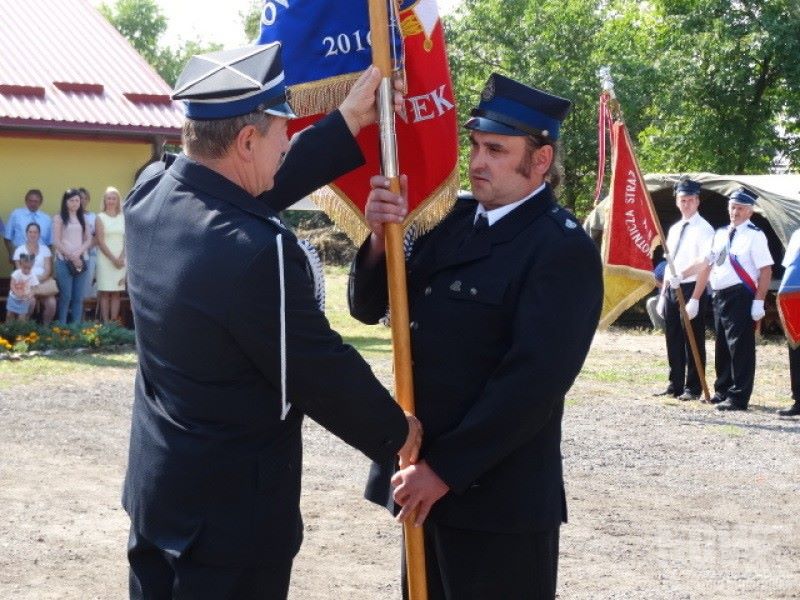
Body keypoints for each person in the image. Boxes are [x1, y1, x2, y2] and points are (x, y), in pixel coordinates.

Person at [122, 43, 421, 600]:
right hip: (230, 532)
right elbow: (319, 371)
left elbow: (232, 190)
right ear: (246, 140)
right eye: (283, 131)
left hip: (158, 500)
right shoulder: (260, 253)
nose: (289, 142)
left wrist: (347, 120)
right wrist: (398, 431)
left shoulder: (150, 193)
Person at [349, 73, 603, 599]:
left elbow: (532, 383)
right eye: (474, 146)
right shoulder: (452, 221)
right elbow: (370, 307)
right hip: (421, 479)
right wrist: (379, 239)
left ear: (540, 160)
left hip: (496, 500)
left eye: (495, 149)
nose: (477, 161)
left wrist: (442, 470)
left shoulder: (560, 248)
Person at [684, 187, 773, 411]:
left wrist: (759, 301)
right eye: (732, 207)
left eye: (740, 208)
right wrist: (691, 290)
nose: (735, 212)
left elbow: (766, 271)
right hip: (720, 294)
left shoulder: (755, 235)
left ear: (750, 211)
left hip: (741, 295)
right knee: (722, 344)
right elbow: (708, 263)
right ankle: (722, 389)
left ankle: (739, 396)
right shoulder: (721, 233)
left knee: (740, 347)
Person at [654, 178, 714, 401]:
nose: (686, 204)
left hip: (691, 287)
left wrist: (696, 298)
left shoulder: (704, 229)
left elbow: (704, 263)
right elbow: (670, 264)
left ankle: (694, 386)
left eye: (690, 200)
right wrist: (663, 293)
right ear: (677, 202)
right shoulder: (676, 228)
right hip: (672, 286)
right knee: (673, 337)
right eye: (682, 200)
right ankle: (675, 384)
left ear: (697, 201)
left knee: (693, 339)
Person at [52, 188, 92, 324]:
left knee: (78, 297)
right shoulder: (59, 218)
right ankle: (62, 327)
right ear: (66, 202)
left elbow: (88, 240)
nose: (75, 203)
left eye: (77, 200)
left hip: (81, 261)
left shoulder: (83, 218)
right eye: (72, 200)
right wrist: (70, 255)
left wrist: (78, 254)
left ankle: (75, 329)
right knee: (66, 296)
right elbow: (56, 241)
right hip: (64, 261)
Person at [13, 222, 57, 324]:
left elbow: (48, 270)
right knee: (30, 301)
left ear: (39, 234)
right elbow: (19, 272)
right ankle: (24, 327)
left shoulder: (45, 249)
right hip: (26, 285)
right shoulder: (19, 250)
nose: (33, 234)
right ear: (26, 233)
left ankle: (45, 328)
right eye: (30, 232)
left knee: (52, 303)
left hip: (43, 283)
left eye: (35, 232)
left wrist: (37, 280)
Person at [94, 186, 126, 323]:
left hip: (121, 259)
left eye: (114, 198)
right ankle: (106, 322)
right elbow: (100, 241)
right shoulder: (100, 217)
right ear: (105, 200)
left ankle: (113, 322)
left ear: (118, 201)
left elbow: (127, 239)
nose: (111, 201)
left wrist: (122, 257)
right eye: (109, 198)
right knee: (105, 292)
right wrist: (113, 259)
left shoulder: (123, 217)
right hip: (105, 259)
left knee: (116, 292)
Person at [777, 227, 800, 417]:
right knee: (796, 350)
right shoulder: (796, 235)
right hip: (795, 300)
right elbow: (790, 267)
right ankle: (799, 400)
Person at [3, 189, 53, 264]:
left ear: (41, 202)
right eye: (30, 200)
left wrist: (48, 259)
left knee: (40, 275)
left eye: (36, 201)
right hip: (21, 256)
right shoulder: (16, 214)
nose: (33, 203)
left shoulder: (47, 219)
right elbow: (7, 237)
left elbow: (49, 243)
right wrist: (12, 254)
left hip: (40, 257)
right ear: (26, 201)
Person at [5, 253, 39, 322]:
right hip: (13, 298)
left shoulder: (32, 275)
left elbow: (35, 288)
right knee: (9, 315)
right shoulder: (16, 273)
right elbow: (12, 284)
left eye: (29, 268)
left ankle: (20, 330)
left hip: (24, 299)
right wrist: (16, 292)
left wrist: (31, 295)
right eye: (24, 267)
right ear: (21, 265)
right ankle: (8, 329)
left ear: (32, 266)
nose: (26, 270)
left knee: (22, 317)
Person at [78, 187, 98, 301]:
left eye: (86, 198)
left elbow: (97, 236)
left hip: (90, 255)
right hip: (73, 256)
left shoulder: (93, 217)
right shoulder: (69, 216)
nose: (83, 201)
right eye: (80, 198)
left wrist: (86, 247)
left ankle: (84, 314)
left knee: (86, 284)